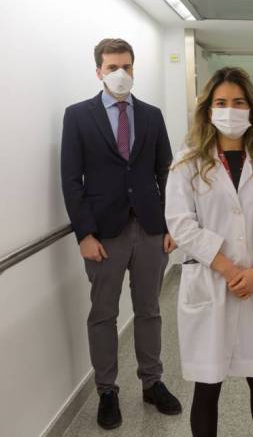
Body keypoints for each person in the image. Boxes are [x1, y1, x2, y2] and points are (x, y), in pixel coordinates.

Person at [60, 38, 181, 430]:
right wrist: (84, 234)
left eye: (126, 66)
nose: (120, 74)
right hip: (103, 234)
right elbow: (71, 180)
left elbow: (165, 171)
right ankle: (107, 391)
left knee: (149, 309)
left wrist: (169, 225)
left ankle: (152, 382)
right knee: (103, 314)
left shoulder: (152, 115)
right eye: (112, 67)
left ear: (133, 68)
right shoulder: (78, 116)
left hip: (150, 229)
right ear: (98, 70)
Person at [165, 67, 253, 437]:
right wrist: (230, 270)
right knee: (207, 387)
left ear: (251, 110)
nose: (229, 110)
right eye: (221, 103)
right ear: (208, 110)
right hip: (211, 283)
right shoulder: (187, 163)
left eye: (237, 102)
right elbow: (181, 224)